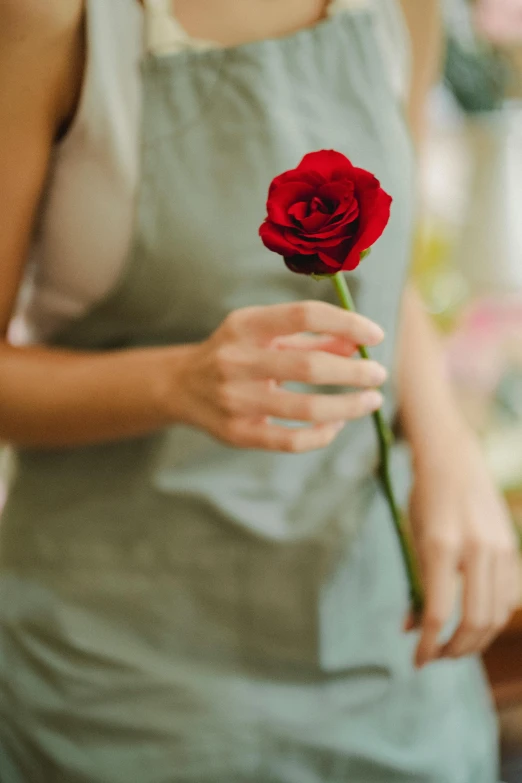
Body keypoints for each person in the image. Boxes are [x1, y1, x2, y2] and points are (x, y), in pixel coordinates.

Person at [0, 1, 518, 781]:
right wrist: (173, 382)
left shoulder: (404, 9)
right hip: (119, 684)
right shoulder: (50, 18)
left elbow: (387, 275)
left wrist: (450, 448)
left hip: (385, 646)